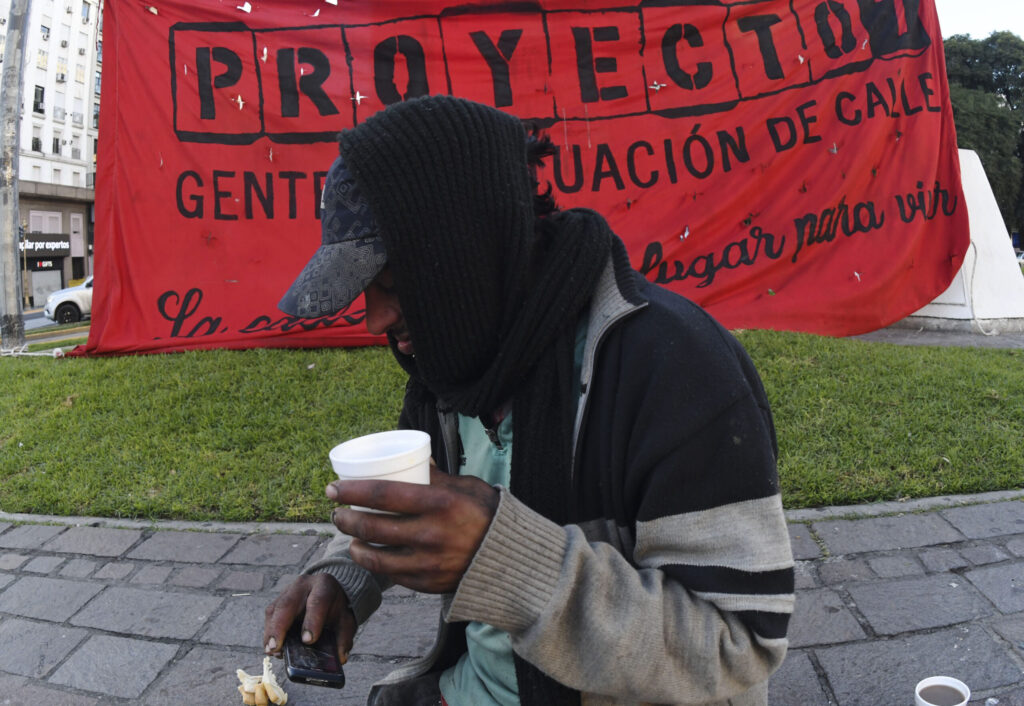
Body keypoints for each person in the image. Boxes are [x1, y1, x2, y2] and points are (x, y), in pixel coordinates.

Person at [264, 95, 795, 706]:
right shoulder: (460, 357)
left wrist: (507, 560)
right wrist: (344, 572)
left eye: (393, 283)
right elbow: (421, 499)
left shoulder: (675, 366)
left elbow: (739, 647)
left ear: (466, 254)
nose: (376, 317)